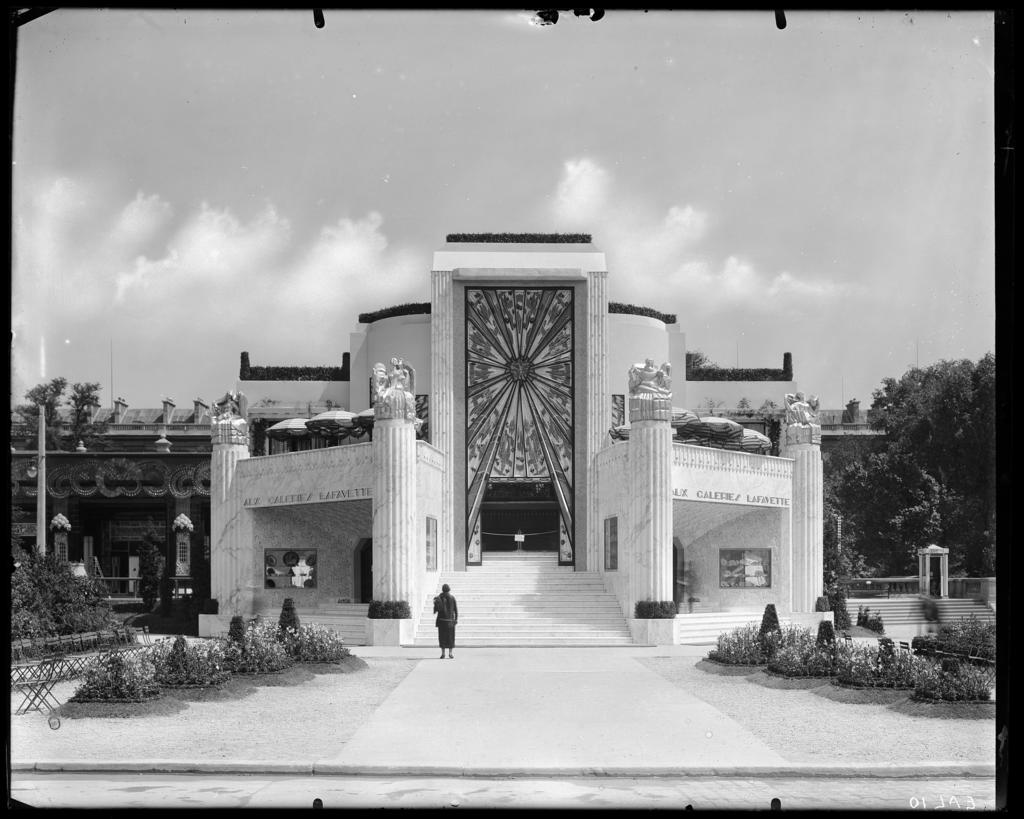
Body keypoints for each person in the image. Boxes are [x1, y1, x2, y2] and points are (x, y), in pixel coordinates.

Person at [433, 583, 458, 659]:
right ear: (449, 589)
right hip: (450, 621)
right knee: (451, 637)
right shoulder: (452, 598)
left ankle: (443, 653)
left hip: (441, 621)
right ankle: (450, 653)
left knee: (442, 637)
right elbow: (456, 610)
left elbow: (435, 609)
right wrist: (456, 619)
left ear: (442, 589)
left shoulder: (439, 597)